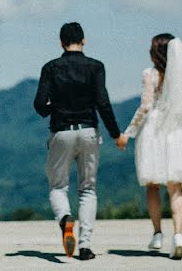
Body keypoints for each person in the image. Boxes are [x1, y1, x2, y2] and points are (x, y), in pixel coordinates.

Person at [116, 34, 182, 260]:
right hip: (175, 130)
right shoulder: (180, 78)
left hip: (154, 130)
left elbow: (145, 106)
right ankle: (178, 236)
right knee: (176, 188)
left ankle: (157, 233)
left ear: (156, 51)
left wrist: (128, 133)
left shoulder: (150, 75)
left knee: (152, 185)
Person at [34, 22, 121, 261]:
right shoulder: (96, 67)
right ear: (83, 41)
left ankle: (64, 219)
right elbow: (103, 103)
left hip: (61, 132)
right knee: (88, 189)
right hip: (88, 131)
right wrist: (116, 134)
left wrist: (57, 107)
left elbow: (40, 105)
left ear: (61, 42)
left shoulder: (50, 68)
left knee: (58, 186)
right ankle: (84, 247)